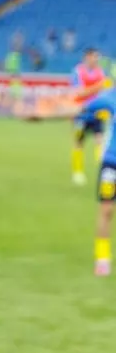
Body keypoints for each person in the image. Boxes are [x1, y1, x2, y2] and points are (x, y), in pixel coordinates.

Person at [80, 87, 116, 276]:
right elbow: (81, 108)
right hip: (112, 163)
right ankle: (102, 259)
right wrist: (44, 114)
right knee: (106, 210)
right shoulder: (110, 97)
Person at [70, 47, 109, 186]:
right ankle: (77, 172)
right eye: (94, 56)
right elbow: (79, 92)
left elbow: (105, 92)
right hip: (81, 113)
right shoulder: (78, 71)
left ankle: (103, 171)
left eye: (97, 57)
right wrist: (98, 87)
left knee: (100, 141)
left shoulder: (100, 72)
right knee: (79, 142)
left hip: (97, 113)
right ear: (87, 57)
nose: (96, 59)